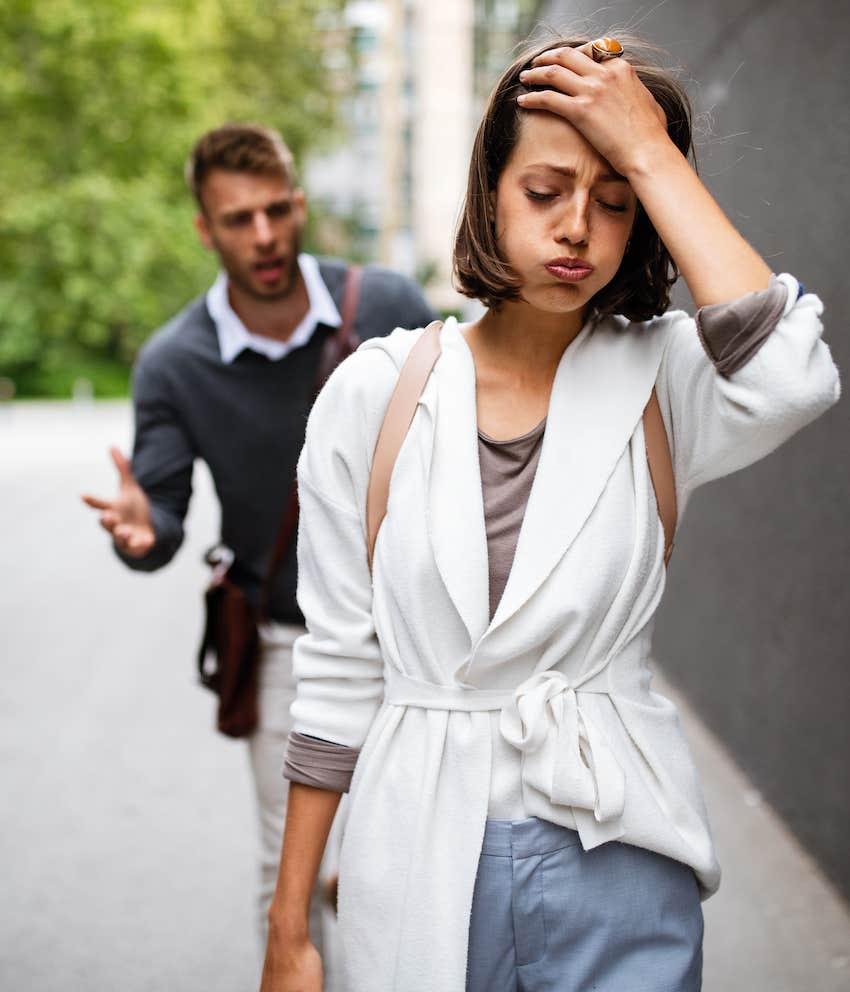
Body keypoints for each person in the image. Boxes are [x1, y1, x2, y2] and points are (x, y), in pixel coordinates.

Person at [259, 34, 840, 992]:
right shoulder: (375, 395)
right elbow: (336, 672)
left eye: (615, 203)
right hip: (417, 857)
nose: (578, 227)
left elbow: (791, 380)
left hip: (620, 849)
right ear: (489, 191)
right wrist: (289, 929)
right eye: (544, 191)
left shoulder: (667, 379)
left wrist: (651, 150)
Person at [80, 122, 436, 956]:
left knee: (425, 861)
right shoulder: (174, 363)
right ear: (205, 230)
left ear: (300, 204)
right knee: (291, 876)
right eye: (238, 219)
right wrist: (141, 531)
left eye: (277, 210)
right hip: (288, 645)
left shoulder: (387, 306)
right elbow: (160, 518)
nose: (265, 236)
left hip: (422, 637)